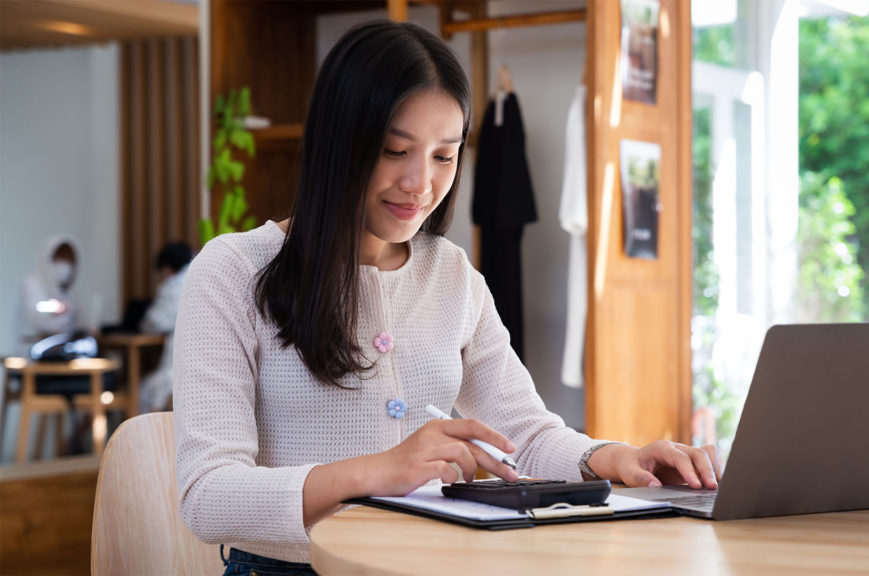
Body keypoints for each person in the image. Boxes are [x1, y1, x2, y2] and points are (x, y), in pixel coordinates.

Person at [174, 20, 721, 575]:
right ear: (339, 141)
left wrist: (617, 459)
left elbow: (523, 435)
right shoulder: (234, 272)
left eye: (444, 156)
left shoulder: (452, 274)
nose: (420, 183)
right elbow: (207, 496)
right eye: (395, 150)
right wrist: (382, 469)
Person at [138, 242, 192, 412]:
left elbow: (152, 323)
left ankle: (148, 438)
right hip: (206, 372)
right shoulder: (201, 277)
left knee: (143, 391)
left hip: (177, 374)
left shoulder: (172, 288)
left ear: (167, 268)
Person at [19, 235, 80, 350]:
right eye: (59, 260)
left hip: (60, 353)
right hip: (29, 353)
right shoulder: (31, 285)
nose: (65, 267)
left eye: (68, 261)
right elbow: (38, 317)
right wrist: (57, 308)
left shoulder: (67, 294)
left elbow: (70, 324)